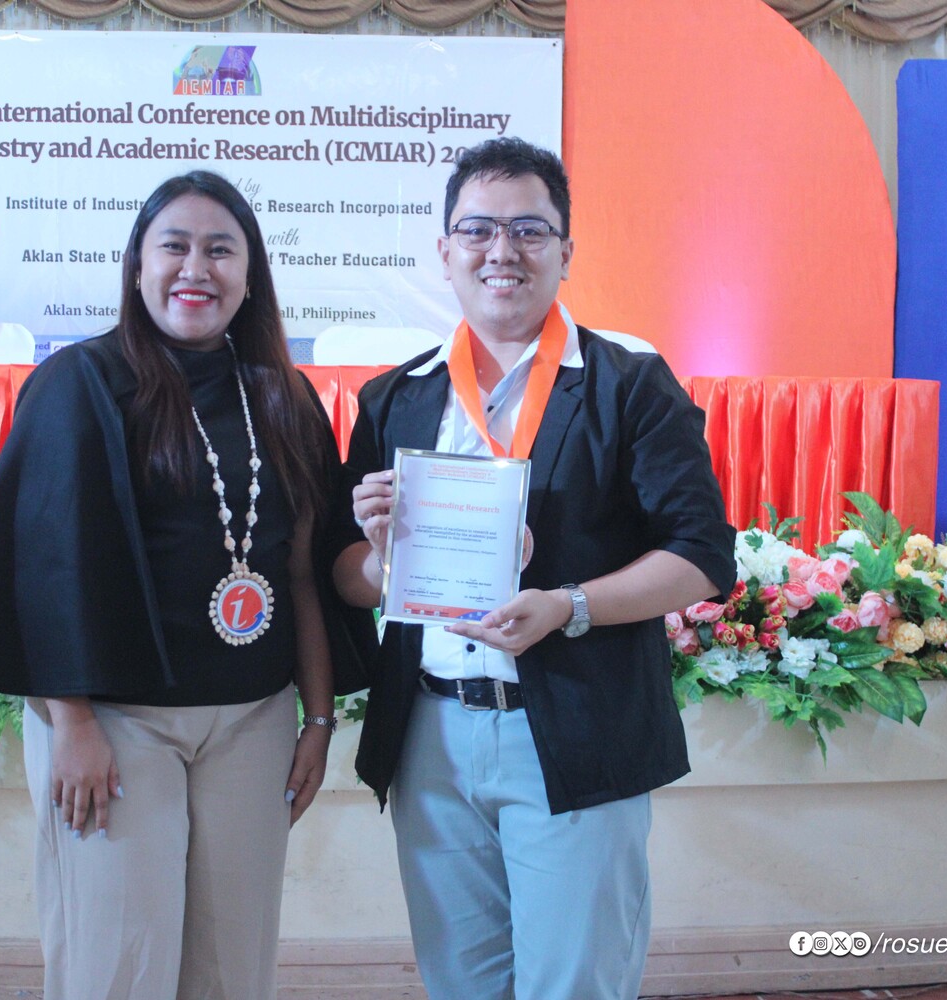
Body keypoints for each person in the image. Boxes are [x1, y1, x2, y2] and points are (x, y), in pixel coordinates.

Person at [0, 170, 362, 999]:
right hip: (117, 723)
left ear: (250, 276)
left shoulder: (285, 396)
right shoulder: (79, 382)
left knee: (233, 967)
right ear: (136, 267)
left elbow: (303, 572)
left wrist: (318, 718)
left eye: (220, 250)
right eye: (175, 247)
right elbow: (47, 565)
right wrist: (73, 723)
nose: (196, 268)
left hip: (254, 719)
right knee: (117, 965)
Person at [331, 138, 736, 1000]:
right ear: (445, 251)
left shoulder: (630, 386)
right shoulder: (396, 397)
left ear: (565, 251)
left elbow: (702, 556)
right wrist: (385, 558)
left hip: (573, 726)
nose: (501, 251)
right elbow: (345, 574)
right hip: (431, 736)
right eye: (478, 230)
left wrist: (567, 604)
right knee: (461, 984)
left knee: (574, 984)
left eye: (528, 230)